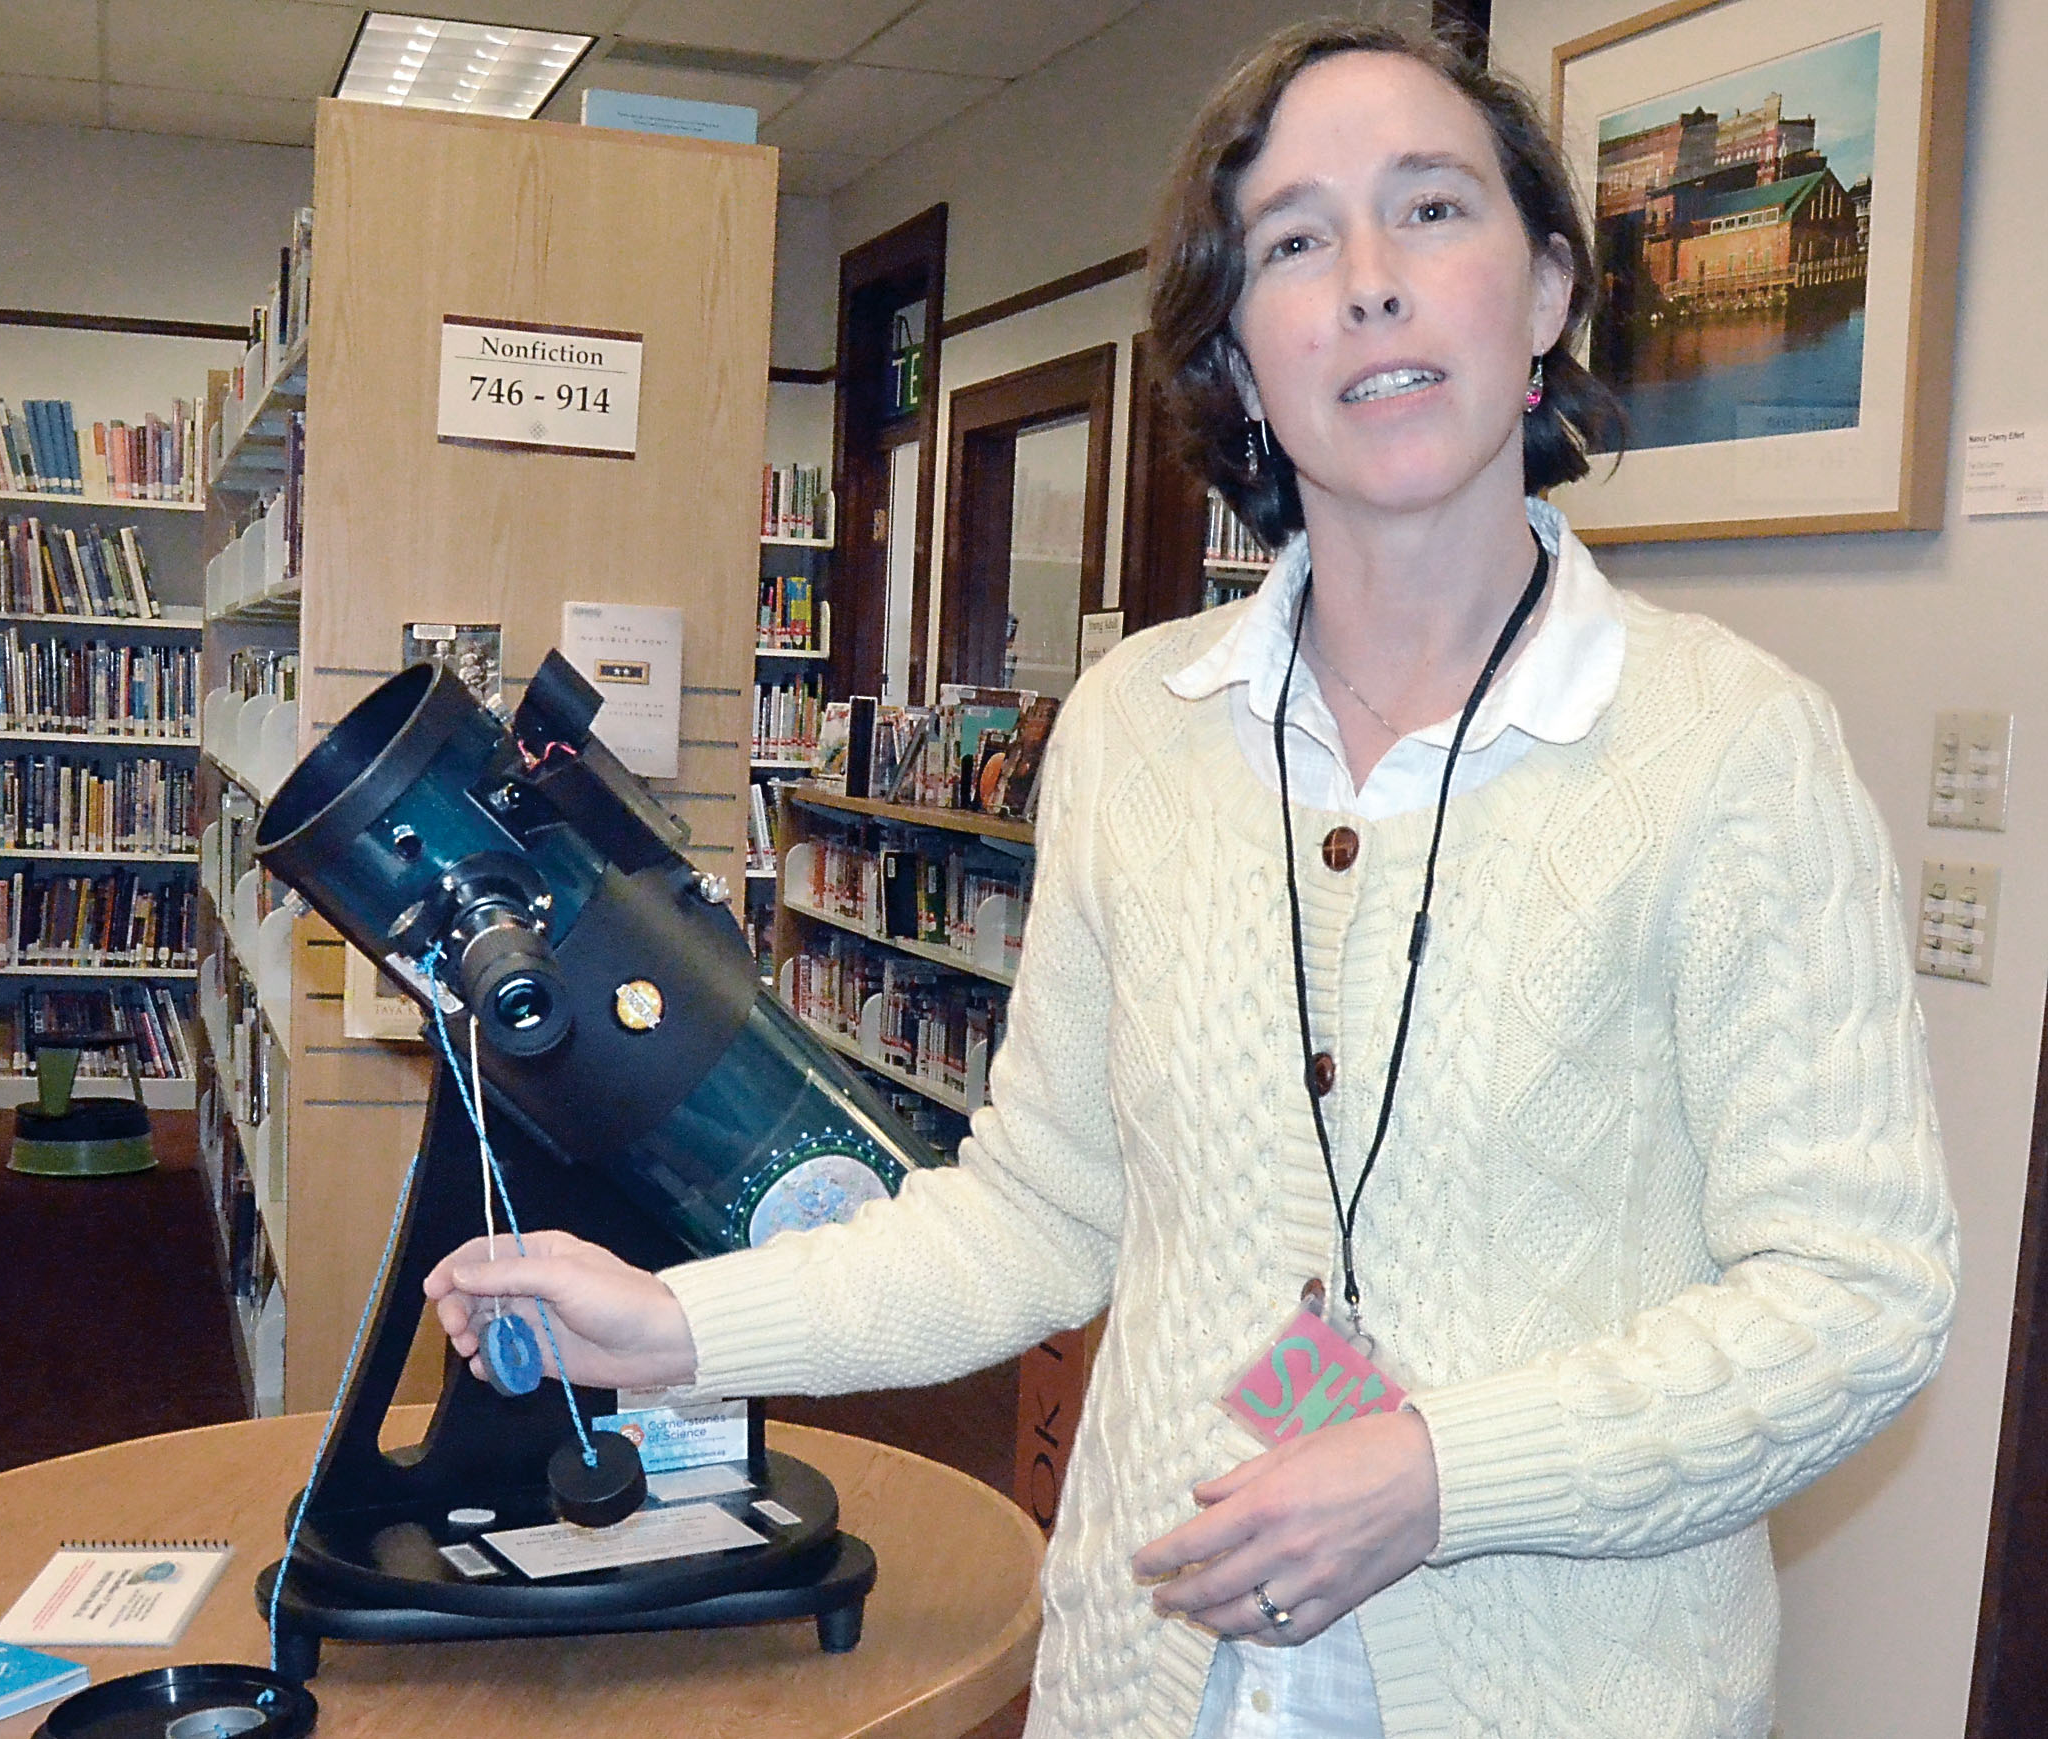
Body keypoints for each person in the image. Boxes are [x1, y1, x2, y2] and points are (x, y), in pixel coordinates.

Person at [425, 21, 1957, 1738]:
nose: (1369, 284)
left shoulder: (1731, 748)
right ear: (1238, 349)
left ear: (1541, 294)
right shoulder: (1140, 737)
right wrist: (675, 1323)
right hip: (1161, 1675)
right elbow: (1041, 1210)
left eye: (1431, 211)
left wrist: (1444, 1472)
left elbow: (1858, 1300)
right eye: (1297, 241)